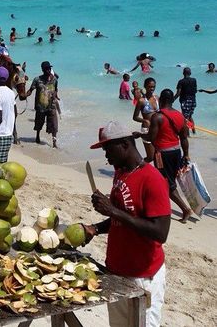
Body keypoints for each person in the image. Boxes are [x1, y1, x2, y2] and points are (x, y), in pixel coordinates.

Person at [84, 121, 171, 327]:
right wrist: (95, 228)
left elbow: (160, 232)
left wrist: (112, 209)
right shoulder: (121, 172)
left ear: (124, 144)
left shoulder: (152, 179)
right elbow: (121, 219)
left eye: (107, 149)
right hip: (116, 271)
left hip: (142, 277)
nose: (105, 155)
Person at [138, 89, 193, 223]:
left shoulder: (158, 117)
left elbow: (151, 137)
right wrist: (186, 155)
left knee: (165, 183)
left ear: (161, 100)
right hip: (176, 152)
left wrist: (139, 135)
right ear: (172, 100)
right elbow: (184, 138)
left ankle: (185, 209)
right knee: (169, 181)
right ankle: (156, 204)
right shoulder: (180, 116)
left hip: (162, 154)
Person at [26, 61, 59, 148]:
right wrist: (25, 95)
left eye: (49, 69)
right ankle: (37, 135)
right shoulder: (37, 80)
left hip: (51, 106)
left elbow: (56, 89)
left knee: (54, 125)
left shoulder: (54, 80)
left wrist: (56, 95)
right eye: (46, 69)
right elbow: (31, 90)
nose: (48, 70)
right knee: (39, 123)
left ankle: (54, 142)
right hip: (40, 106)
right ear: (42, 70)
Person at [133, 77, 159, 162]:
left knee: (158, 156)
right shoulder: (141, 101)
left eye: (153, 87)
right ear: (145, 86)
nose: (152, 89)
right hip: (146, 129)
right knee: (150, 157)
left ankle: (156, 174)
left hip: (157, 129)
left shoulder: (157, 98)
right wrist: (144, 120)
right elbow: (135, 117)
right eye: (150, 87)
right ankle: (135, 170)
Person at [174, 67, 197, 133]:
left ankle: (187, 134)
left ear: (183, 73)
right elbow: (195, 91)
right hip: (193, 101)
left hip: (185, 101)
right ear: (190, 73)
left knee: (185, 118)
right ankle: (194, 132)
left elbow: (178, 93)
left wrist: (172, 100)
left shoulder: (181, 81)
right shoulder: (194, 80)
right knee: (190, 116)